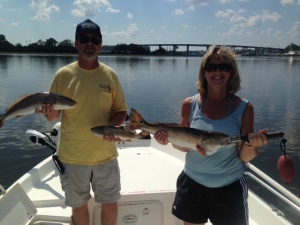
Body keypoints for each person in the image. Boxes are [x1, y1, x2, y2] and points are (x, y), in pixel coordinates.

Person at [154, 45, 268, 225]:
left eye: (224, 67)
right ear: (204, 72)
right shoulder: (188, 104)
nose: (218, 72)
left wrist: (251, 144)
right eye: (212, 67)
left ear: (231, 73)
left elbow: (244, 156)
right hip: (192, 182)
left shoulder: (244, 108)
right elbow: (184, 146)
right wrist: (167, 140)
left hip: (229, 187)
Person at [36, 19, 128, 225]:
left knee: (111, 205)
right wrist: (49, 112)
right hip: (72, 156)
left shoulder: (110, 75)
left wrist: (112, 128)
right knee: (78, 207)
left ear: (100, 45)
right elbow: (53, 118)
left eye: (94, 40)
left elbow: (121, 110)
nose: (90, 43)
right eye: (85, 39)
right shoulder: (63, 75)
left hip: (105, 155)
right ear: (76, 43)